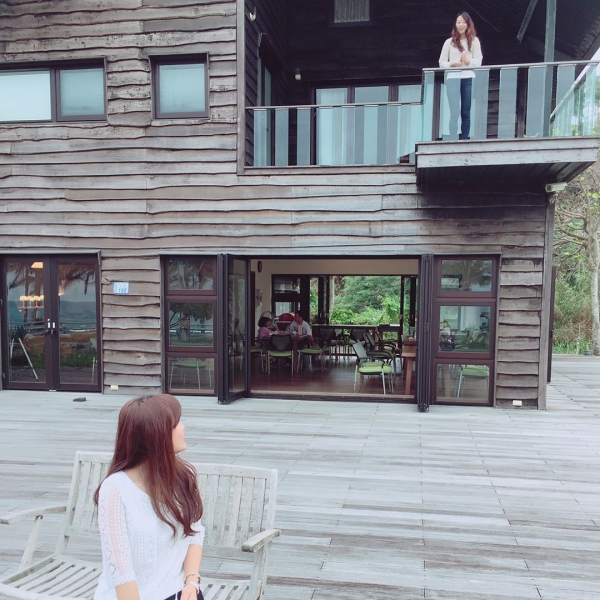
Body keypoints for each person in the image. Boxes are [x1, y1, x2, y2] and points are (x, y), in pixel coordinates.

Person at [94, 394, 205, 600]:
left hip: (180, 592)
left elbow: (195, 532)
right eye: (176, 424)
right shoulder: (115, 489)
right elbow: (122, 573)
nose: (183, 427)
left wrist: (191, 580)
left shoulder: (183, 477)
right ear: (156, 434)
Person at [438, 12, 483, 140]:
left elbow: (478, 62)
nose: (461, 25)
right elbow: (441, 62)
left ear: (468, 24)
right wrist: (451, 64)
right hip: (452, 78)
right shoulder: (449, 42)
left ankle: (464, 139)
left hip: (468, 78)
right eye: (459, 22)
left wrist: (468, 61)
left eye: (464, 22)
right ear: (455, 24)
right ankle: (453, 138)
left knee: (466, 112)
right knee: (454, 112)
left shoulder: (474, 41)